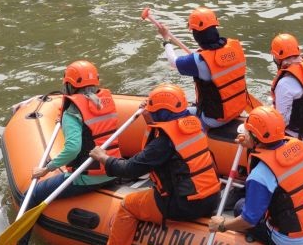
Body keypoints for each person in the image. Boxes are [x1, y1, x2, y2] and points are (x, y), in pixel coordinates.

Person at [91, 84, 220, 245]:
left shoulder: (163, 144)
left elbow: (130, 169)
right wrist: (149, 116)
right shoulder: (195, 125)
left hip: (184, 205)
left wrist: (104, 158)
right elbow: (165, 133)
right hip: (212, 198)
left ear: (160, 112)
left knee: (127, 205)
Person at [18, 61, 119, 245]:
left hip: (86, 177)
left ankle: (21, 242)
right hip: (113, 170)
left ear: (69, 85)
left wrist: (46, 169)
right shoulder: (105, 102)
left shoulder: (72, 113)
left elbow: (72, 149)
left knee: (30, 196)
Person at [208, 106, 303, 245]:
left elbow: (249, 220)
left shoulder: (260, 175)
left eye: (248, 132)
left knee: (239, 207)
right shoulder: (300, 146)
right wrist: (251, 143)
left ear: (255, 137)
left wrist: (222, 225)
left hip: (294, 241)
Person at [156, 6, 248, 129]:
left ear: (196, 34)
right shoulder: (235, 46)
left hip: (214, 119)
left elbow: (173, 62)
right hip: (237, 109)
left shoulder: (199, 61)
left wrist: (166, 39)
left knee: (169, 114)